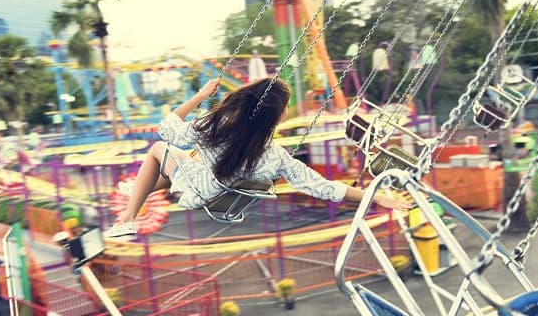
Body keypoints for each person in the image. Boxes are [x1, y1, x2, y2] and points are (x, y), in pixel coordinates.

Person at [104, 77, 409, 238]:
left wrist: (199, 96)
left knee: (159, 150)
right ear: (274, 117)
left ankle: (129, 217)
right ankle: (140, 193)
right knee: (188, 159)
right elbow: (324, 187)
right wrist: (374, 197)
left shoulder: (218, 127)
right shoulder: (275, 156)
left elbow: (167, 129)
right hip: (219, 189)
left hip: (203, 187)